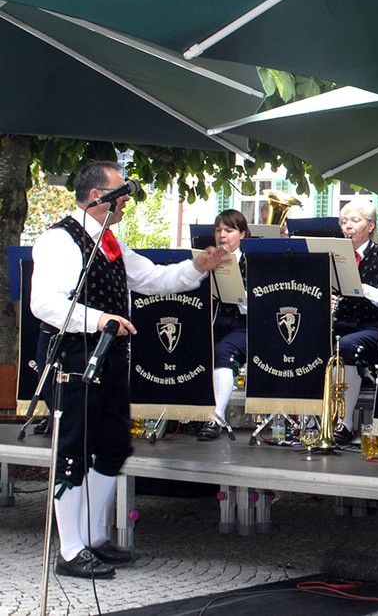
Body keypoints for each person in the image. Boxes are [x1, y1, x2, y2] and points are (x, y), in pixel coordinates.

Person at [30, 161, 228, 580]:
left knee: (113, 445)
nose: (126, 200)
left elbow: (152, 279)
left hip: (110, 357)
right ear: (96, 196)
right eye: (120, 192)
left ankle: (92, 536)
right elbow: (44, 302)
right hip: (73, 357)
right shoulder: (58, 240)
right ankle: (70, 549)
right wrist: (99, 319)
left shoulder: (110, 242)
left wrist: (197, 267)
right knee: (74, 449)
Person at [332, 199, 378, 442]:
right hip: (342, 323)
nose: (348, 226)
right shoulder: (336, 256)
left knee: (346, 347)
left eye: (355, 221)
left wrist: (361, 288)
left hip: (373, 326)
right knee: (309, 339)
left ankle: (344, 424)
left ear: (370, 226)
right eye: (344, 221)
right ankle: (311, 419)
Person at [197, 209, 249, 441]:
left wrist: (239, 295)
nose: (222, 235)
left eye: (229, 230)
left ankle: (216, 418)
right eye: (218, 230)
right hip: (215, 322)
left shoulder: (250, 261)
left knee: (223, 351)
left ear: (242, 234)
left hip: (243, 325)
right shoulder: (209, 260)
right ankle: (188, 414)